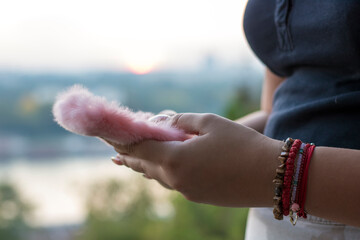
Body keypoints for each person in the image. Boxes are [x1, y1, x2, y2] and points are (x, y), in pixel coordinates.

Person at [110, 0, 360, 238]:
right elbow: (277, 112)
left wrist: (271, 172)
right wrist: (189, 146)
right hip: (271, 222)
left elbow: (268, 164)